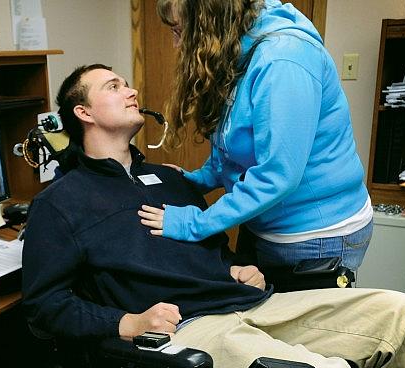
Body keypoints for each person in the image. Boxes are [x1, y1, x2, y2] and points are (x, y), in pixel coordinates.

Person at [21, 64, 405, 368]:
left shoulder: (170, 180)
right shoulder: (61, 202)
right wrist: (126, 323)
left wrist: (237, 268)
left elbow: (216, 250)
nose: (131, 91)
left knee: (399, 313)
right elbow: (45, 306)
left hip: (250, 303)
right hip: (187, 330)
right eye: (113, 86)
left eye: (127, 83)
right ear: (83, 113)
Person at [137, 0, 373, 272]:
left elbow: (278, 175)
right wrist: (197, 180)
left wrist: (194, 224)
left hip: (315, 236)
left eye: (180, 31)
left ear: (211, 21)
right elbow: (234, 146)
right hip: (263, 223)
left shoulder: (284, 60)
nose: (177, 45)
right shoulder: (236, 50)